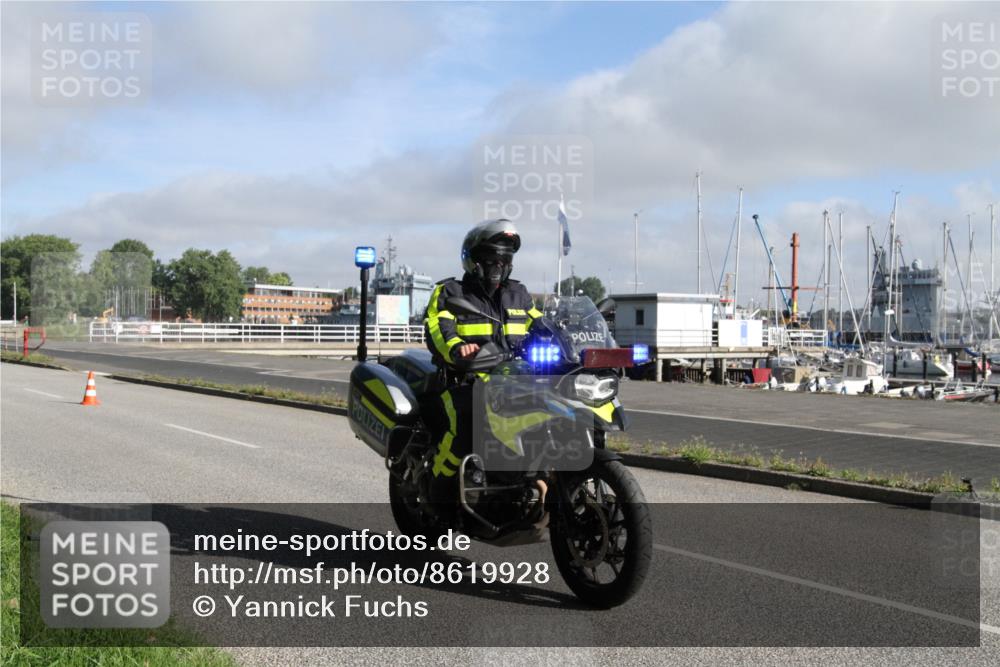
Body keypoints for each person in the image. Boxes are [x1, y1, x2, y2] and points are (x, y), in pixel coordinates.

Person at [423, 219, 543, 507]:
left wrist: (571, 343)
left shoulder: (519, 294)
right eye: (491, 259)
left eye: (504, 259)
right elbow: (438, 330)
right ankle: (437, 494)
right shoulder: (451, 292)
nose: (497, 266)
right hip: (464, 381)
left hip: (513, 381)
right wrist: (458, 349)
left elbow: (542, 325)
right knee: (465, 427)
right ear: (473, 260)